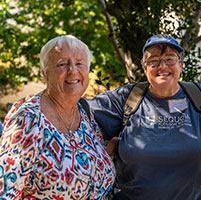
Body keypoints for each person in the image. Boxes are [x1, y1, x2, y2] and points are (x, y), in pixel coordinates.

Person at [89, 33, 201, 200]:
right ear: (144, 68)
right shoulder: (126, 99)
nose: (162, 66)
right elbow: (76, 115)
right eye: (153, 61)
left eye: (170, 59)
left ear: (181, 65)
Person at [0, 35, 115, 199]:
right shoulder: (28, 119)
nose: (73, 70)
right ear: (45, 74)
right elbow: (5, 191)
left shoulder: (84, 114)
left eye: (80, 63)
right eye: (62, 64)